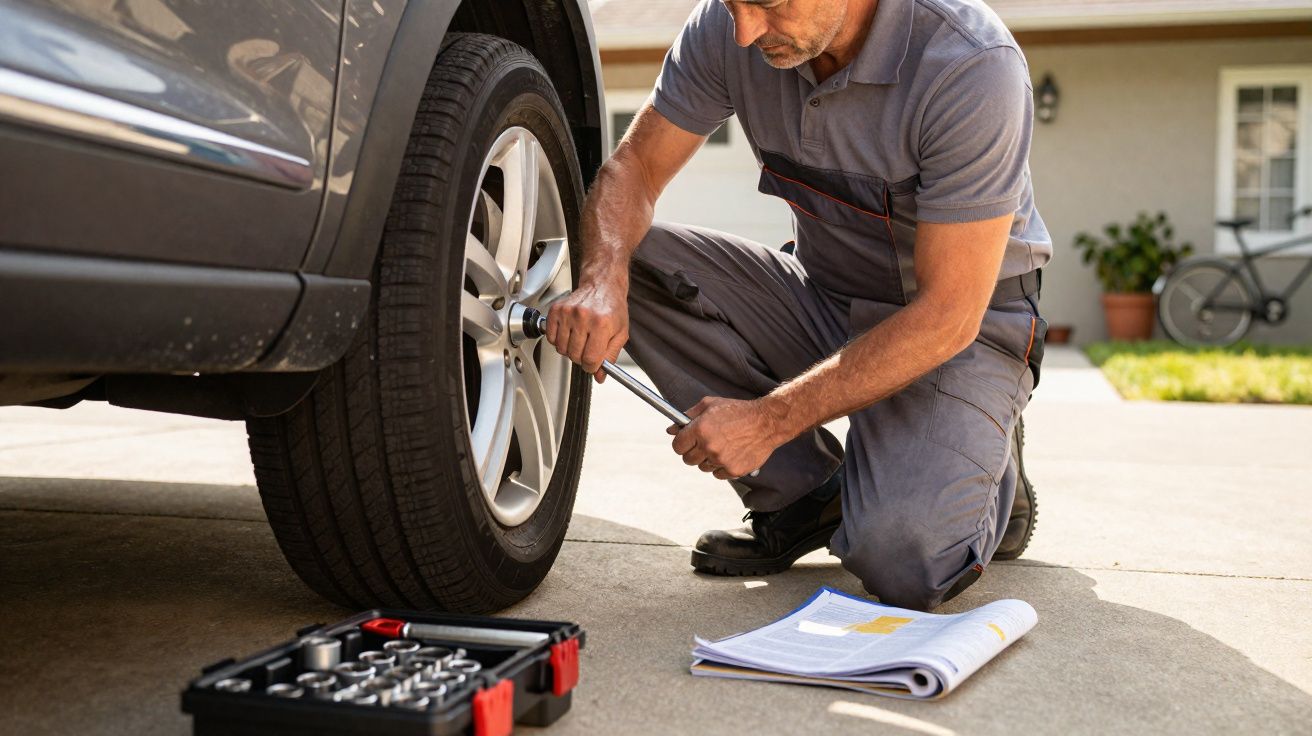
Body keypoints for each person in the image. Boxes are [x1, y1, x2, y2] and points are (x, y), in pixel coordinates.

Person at [545, 0, 1051, 611]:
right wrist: (601, 278)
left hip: (959, 329)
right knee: (630, 255)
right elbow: (635, 168)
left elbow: (948, 314)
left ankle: (986, 452)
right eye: (733, 4)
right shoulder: (728, 29)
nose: (745, 31)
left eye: (769, 4)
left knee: (903, 559)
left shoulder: (968, 64)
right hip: (824, 297)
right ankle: (803, 496)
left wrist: (767, 421)